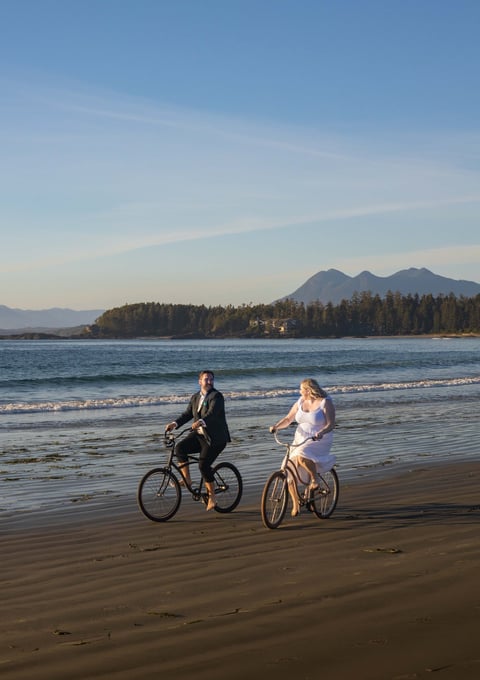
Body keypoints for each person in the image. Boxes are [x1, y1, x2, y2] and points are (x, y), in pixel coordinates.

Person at [165, 370, 231, 511]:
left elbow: (212, 414)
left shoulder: (217, 396)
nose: (209, 382)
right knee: (180, 448)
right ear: (199, 381)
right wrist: (174, 424)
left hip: (215, 438)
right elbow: (188, 414)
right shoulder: (195, 397)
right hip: (200, 435)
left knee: (203, 466)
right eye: (206, 379)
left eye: (211, 379)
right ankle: (187, 479)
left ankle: (212, 497)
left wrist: (201, 421)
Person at [269, 378, 336, 517]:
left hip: (319, 438)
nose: (299, 391)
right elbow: (288, 419)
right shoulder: (300, 401)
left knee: (301, 454)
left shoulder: (325, 402)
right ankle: (295, 504)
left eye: (301, 389)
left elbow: (331, 424)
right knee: (288, 467)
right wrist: (276, 426)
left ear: (308, 390)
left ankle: (314, 480)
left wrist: (321, 432)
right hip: (300, 437)